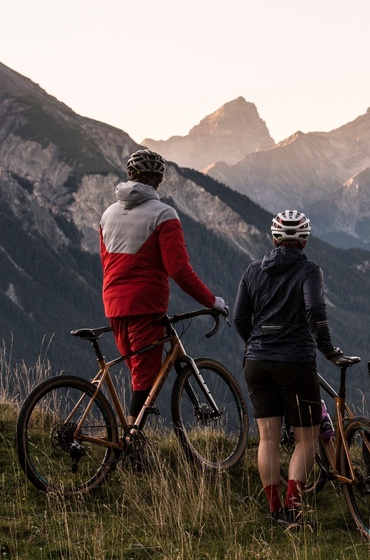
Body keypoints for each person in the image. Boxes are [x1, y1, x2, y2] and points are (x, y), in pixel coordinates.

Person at [232, 210, 353, 528]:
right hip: (296, 362)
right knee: (307, 439)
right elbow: (315, 309)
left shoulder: (252, 269)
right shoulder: (309, 269)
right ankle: (294, 511)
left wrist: (256, 343)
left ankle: (275, 513)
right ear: (304, 240)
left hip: (256, 362)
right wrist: (327, 349)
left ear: (273, 239)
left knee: (267, 441)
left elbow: (240, 319)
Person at [100, 148, 227, 426]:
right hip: (146, 306)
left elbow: (106, 262)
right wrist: (211, 301)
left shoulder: (107, 214)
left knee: (139, 376)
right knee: (145, 378)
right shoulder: (163, 214)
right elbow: (179, 270)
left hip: (113, 304)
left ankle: (133, 438)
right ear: (159, 180)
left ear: (129, 174)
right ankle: (132, 440)